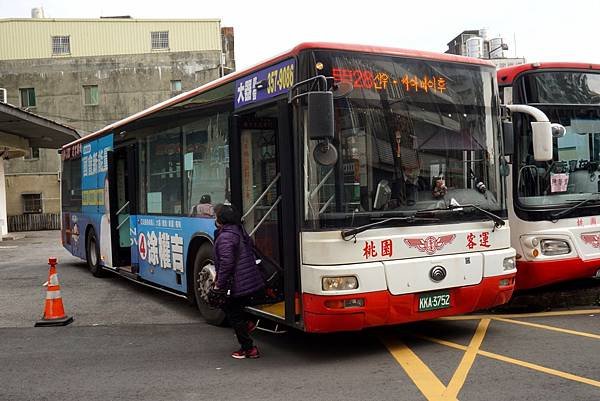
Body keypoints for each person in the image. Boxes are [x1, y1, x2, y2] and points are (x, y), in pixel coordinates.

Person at [213, 203, 265, 359]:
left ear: (221, 220)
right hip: (249, 279)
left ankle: (248, 349)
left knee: (232, 312)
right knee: (235, 309)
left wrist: (219, 285)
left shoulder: (225, 237)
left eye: (216, 217)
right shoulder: (239, 231)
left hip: (237, 283)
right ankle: (248, 324)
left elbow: (226, 264)